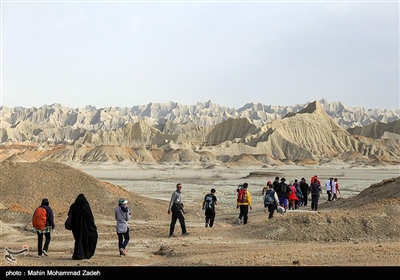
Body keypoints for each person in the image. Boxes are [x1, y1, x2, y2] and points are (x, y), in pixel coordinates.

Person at [67, 194, 98, 260]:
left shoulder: (74, 206)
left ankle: (78, 254)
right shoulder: (86, 207)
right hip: (85, 228)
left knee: (78, 240)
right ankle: (84, 254)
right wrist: (93, 227)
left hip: (75, 227)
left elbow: (69, 214)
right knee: (85, 239)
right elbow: (90, 218)